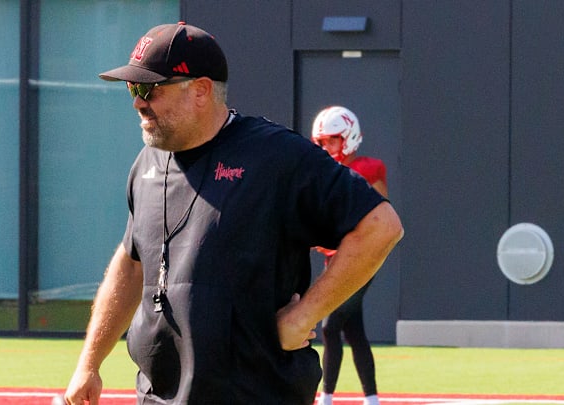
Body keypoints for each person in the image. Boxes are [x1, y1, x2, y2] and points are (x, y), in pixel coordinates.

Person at [63, 22, 403, 405]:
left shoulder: (275, 156)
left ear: (201, 90)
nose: (138, 102)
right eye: (133, 88)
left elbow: (380, 226)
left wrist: (304, 317)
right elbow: (131, 264)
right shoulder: (147, 163)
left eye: (150, 89)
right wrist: (89, 362)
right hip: (159, 395)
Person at [311, 106, 388, 405]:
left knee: (331, 325)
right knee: (354, 331)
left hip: (364, 258)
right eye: (321, 142)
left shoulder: (367, 169)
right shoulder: (324, 171)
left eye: (331, 140)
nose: (325, 147)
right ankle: (370, 398)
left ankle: (326, 398)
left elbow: (381, 219)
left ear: (349, 137)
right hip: (336, 259)